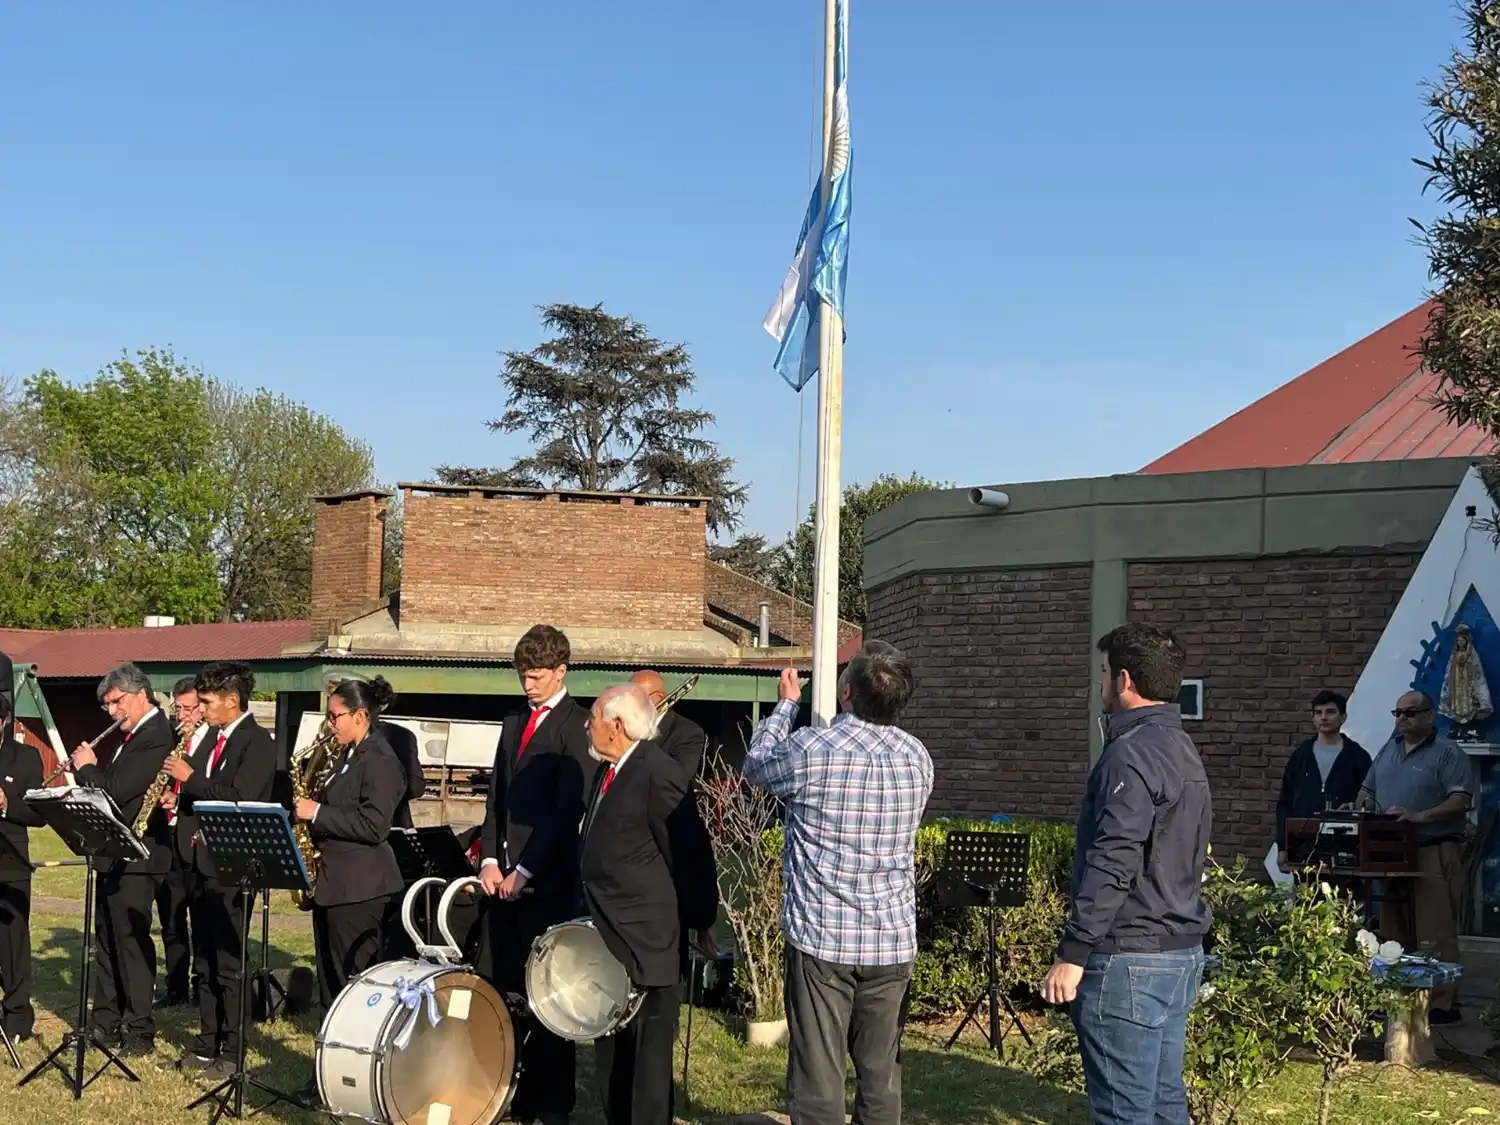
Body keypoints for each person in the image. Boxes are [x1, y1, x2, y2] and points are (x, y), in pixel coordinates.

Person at [743, 642, 933, 1125]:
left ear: (845, 692)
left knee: (818, 1074)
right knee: (881, 1073)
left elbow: (757, 766)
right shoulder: (917, 758)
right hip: (891, 940)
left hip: (822, 938)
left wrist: (787, 704)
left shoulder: (813, 748)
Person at [1041, 623, 1211, 1125]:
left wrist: (1073, 951)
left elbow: (1114, 857)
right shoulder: (1181, 748)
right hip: (1179, 949)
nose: (1099, 684)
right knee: (1162, 1104)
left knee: (1124, 1112)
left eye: (1101, 674)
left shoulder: (1130, 753)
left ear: (1124, 680)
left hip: (1129, 957)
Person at [477, 625, 590, 1125]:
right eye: (523, 675)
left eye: (537, 676)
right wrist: (488, 859)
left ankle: (552, 1102)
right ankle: (511, 1089)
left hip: (546, 885)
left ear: (561, 671)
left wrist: (524, 869)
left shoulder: (578, 726)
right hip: (501, 883)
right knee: (504, 989)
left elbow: (567, 812)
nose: (528, 684)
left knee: (547, 997)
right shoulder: (512, 722)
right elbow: (496, 799)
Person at [293, 676, 407, 1104]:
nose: (329, 724)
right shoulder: (346, 755)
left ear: (360, 716)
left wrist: (316, 810)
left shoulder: (380, 760)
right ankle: (325, 1076)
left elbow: (374, 825)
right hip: (333, 885)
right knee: (330, 987)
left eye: (335, 716)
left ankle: (356, 1079)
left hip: (361, 890)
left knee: (353, 990)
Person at [580, 683, 689, 1125]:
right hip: (611, 939)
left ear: (618, 725)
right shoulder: (607, 770)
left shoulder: (655, 771)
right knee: (614, 1054)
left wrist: (697, 918)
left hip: (648, 939)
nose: (587, 726)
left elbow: (686, 852)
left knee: (647, 1061)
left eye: (593, 718)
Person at [162, 661, 275, 1076]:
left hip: (234, 865)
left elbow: (239, 794)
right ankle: (206, 1041)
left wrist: (189, 780)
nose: (202, 709)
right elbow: (205, 791)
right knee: (205, 959)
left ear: (232, 700)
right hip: (198, 860)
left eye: (208, 702)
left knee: (228, 963)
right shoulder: (211, 738)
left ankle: (232, 1048)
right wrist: (181, 802)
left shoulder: (257, 742)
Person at [69, 662, 174, 1056]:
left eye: (116, 702)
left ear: (140, 694)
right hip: (114, 852)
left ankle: (139, 1030)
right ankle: (106, 1022)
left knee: (131, 942)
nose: (112, 712)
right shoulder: (134, 737)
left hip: (140, 856)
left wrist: (87, 768)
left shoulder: (156, 735)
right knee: (108, 941)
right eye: (107, 706)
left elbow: (116, 792)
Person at [1358, 689, 1476, 1022]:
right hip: (1391, 852)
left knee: (1435, 928)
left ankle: (1442, 1004)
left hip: (1432, 849)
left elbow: (1461, 800)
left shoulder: (1448, 752)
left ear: (1429, 715)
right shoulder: (1388, 749)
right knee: (1393, 927)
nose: (1402, 719)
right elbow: (1367, 790)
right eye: (1397, 713)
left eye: (1409, 713)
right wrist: (1362, 809)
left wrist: (1419, 816)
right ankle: (1395, 997)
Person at [630, 670, 719, 978]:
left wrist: (642, 739)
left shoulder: (687, 732)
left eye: (637, 697)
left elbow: (676, 779)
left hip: (667, 847)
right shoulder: (626, 729)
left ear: (658, 698)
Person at [155, 675, 208, 1008]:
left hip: (196, 839)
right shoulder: (170, 738)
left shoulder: (213, 741)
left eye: (190, 709)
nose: (184, 715)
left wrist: (180, 798)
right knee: (171, 918)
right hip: (167, 837)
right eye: (179, 708)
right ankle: (175, 987)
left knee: (201, 919)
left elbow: (211, 786)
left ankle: (202, 988)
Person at [1275, 689, 1372, 849]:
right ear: (1313, 719)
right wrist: (1283, 847)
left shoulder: (1358, 756)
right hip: (1303, 842)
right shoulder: (1300, 756)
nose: (1324, 717)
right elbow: (1285, 803)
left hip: (1345, 844)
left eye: (1330, 712)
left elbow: (1369, 801)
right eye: (1318, 713)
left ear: (1343, 717)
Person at [0, 689, 43, 1044]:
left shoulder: (26, 758)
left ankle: (16, 1018)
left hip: (9, 866)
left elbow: (38, 814)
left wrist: (6, 803)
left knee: (12, 945)